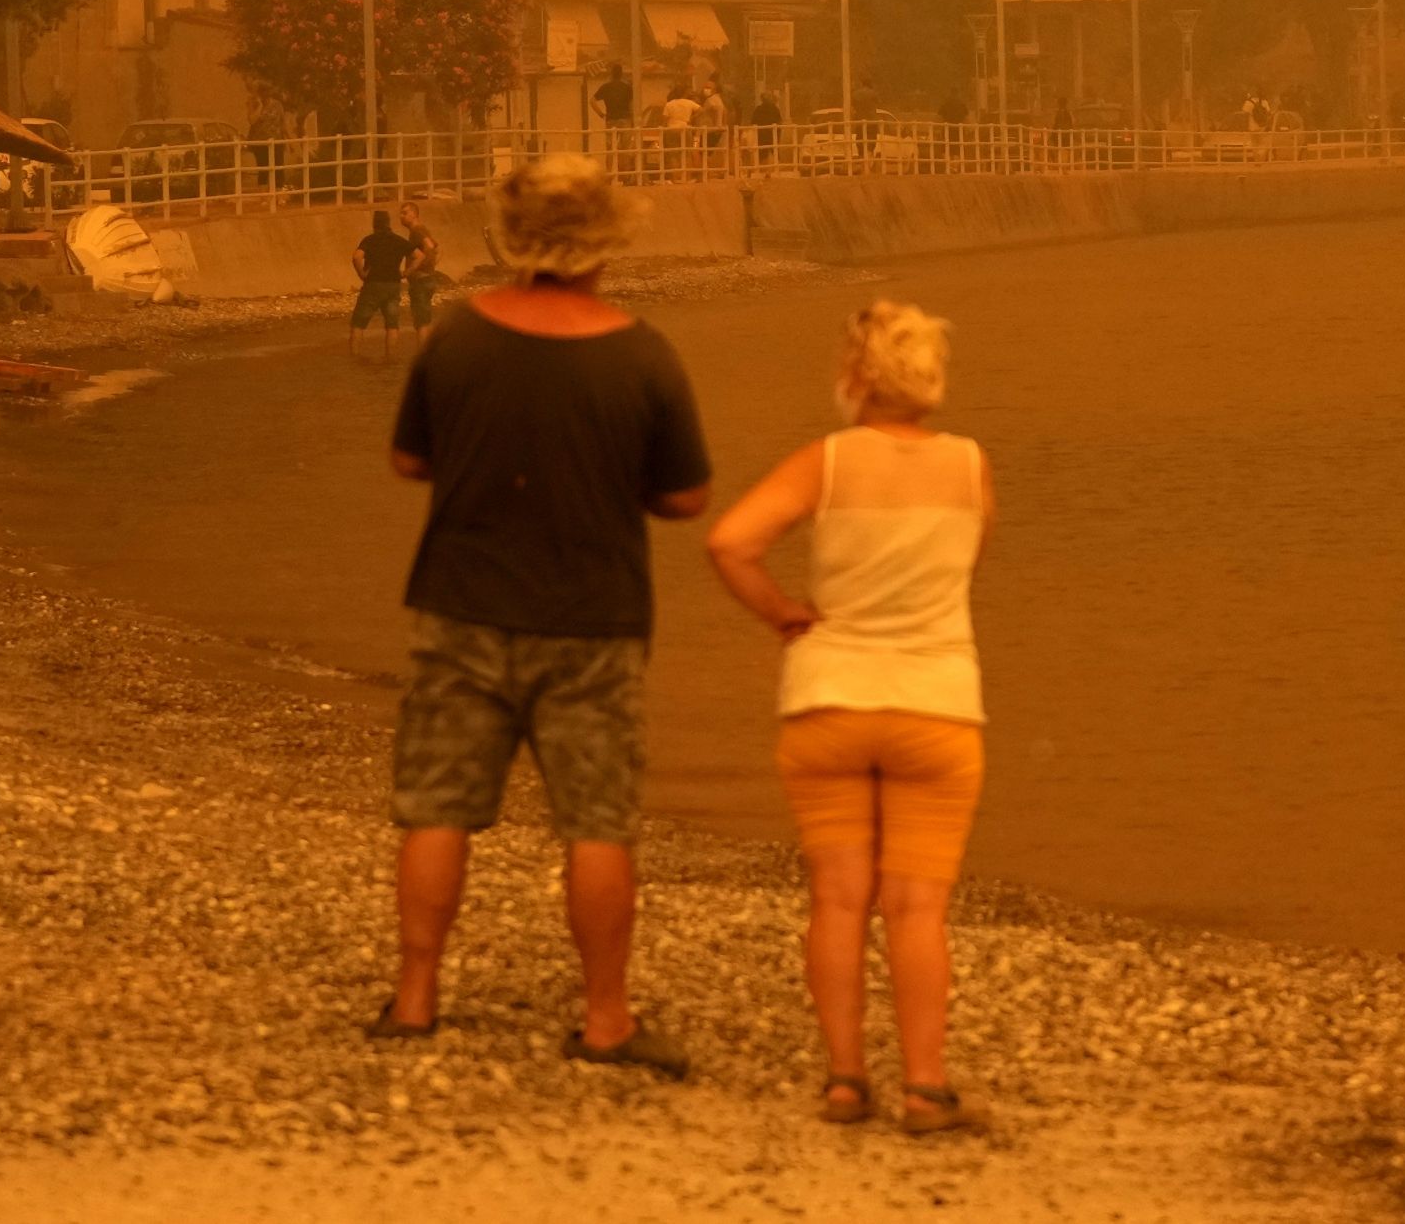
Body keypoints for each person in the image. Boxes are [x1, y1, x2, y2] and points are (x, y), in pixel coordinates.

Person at [375, 153, 712, 1075]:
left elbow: (410, 462)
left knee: (436, 809)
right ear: (607, 240)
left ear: (509, 237)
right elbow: (686, 497)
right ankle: (605, 1020)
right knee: (596, 822)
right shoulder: (642, 353)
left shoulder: (457, 339)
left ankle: (415, 1001)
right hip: (592, 617)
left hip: (461, 602)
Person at [706, 303, 994, 1136]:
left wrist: (784, 613)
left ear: (858, 373)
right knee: (916, 906)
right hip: (936, 704)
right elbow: (969, 554)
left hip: (828, 698)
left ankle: (843, 1080)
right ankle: (925, 1087)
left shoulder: (825, 463)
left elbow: (730, 541)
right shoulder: (971, 466)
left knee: (837, 899)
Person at [350, 210, 423, 357]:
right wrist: (406, 273)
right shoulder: (398, 240)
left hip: (373, 284)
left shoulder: (369, 240)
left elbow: (357, 257)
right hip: (393, 285)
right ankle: (390, 358)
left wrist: (362, 274)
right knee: (392, 324)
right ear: (388, 223)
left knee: (358, 323)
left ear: (374, 223)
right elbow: (419, 256)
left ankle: (355, 357)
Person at [399, 200, 441, 337]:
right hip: (428, 279)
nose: (401, 216)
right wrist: (431, 266)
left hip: (420, 282)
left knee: (421, 322)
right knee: (425, 320)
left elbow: (429, 246)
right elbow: (437, 249)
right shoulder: (422, 229)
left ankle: (423, 354)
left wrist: (411, 270)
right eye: (400, 213)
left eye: (405, 213)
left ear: (414, 214)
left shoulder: (417, 231)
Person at [592, 64, 634, 160]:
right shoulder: (627, 88)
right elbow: (631, 106)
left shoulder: (606, 87)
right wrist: (632, 121)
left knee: (610, 148)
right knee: (625, 149)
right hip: (625, 119)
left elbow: (592, 101)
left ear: (611, 74)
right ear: (621, 74)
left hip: (610, 119)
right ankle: (623, 172)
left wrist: (601, 114)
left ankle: (610, 171)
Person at [751, 90, 783, 170]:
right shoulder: (774, 109)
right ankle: (776, 168)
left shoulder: (759, 109)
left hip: (762, 135)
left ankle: (762, 169)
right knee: (774, 151)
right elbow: (779, 122)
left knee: (763, 152)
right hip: (771, 134)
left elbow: (753, 122)